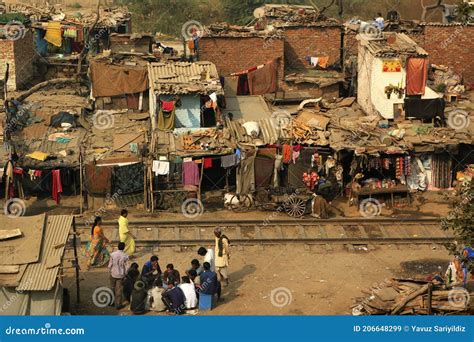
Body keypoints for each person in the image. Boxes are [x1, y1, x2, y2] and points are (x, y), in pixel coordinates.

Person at [108, 242, 129, 309]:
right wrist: (125, 273)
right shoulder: (125, 256)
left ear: (118, 246)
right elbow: (127, 267)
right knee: (119, 290)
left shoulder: (113, 254)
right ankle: (118, 304)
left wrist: (110, 270)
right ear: (124, 247)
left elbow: (110, 265)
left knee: (112, 288)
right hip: (120, 275)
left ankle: (111, 302)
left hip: (113, 273)